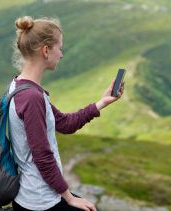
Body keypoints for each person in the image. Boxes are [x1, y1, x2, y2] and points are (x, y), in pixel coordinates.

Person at [8, 16, 124, 211]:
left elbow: (64, 123)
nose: (61, 54)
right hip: (39, 202)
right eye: (59, 48)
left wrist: (101, 103)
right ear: (46, 50)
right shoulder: (31, 97)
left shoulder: (21, 86)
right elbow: (43, 157)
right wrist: (69, 198)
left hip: (35, 195)